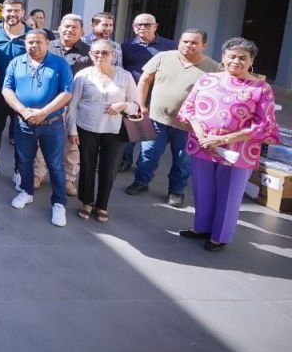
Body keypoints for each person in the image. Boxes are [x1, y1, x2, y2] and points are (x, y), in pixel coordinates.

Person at [177, 38, 279, 251]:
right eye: (231, 56)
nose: (236, 61)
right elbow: (189, 108)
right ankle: (201, 228)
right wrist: (199, 132)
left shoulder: (261, 88)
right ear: (223, 57)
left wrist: (223, 139)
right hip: (203, 144)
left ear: (251, 61)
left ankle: (219, 237)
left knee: (229, 195)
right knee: (203, 190)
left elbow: (264, 124)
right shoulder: (207, 79)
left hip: (238, 151)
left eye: (243, 58)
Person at [126, 29, 217, 207]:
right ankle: (141, 182)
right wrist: (141, 105)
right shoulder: (163, 57)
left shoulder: (214, 68)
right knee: (148, 154)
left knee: (183, 160)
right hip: (156, 118)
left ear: (204, 45)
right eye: (185, 41)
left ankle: (176, 191)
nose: (188, 45)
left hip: (188, 126)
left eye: (194, 42)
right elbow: (145, 80)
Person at [2, 30, 73, 226]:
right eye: (30, 42)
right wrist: (23, 111)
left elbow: (67, 93)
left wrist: (43, 112)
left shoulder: (59, 63)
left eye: (38, 42)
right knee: (24, 160)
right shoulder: (16, 62)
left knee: (55, 165)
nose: (34, 46)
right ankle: (26, 191)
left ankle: (59, 203)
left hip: (52, 123)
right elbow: (7, 89)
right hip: (24, 122)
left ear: (47, 43)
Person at [67, 39, 139, 223]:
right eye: (96, 53)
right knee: (87, 165)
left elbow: (136, 105)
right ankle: (87, 202)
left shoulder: (125, 76)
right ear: (90, 55)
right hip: (86, 127)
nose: (100, 56)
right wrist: (72, 130)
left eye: (105, 53)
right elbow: (72, 105)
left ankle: (102, 205)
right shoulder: (83, 75)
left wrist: (123, 105)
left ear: (113, 55)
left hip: (115, 130)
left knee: (109, 168)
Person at [37, 14, 92, 195]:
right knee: (42, 141)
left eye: (74, 27)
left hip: (75, 104)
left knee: (72, 143)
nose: (69, 30)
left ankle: (69, 179)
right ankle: (38, 174)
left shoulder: (89, 52)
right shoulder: (47, 46)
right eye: (66, 26)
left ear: (82, 31)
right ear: (59, 28)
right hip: (48, 102)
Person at [0, 0, 31, 187]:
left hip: (22, 96)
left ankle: (19, 170)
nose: (12, 14)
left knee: (20, 135)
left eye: (17, 10)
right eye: (9, 10)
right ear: (2, 12)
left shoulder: (30, 35)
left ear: (23, 13)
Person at [119, 13, 175, 171]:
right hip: (135, 95)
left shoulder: (170, 46)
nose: (142, 27)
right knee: (132, 131)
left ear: (155, 26)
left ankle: (143, 165)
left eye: (147, 25)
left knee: (154, 136)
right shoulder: (126, 46)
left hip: (160, 95)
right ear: (133, 27)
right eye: (139, 25)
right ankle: (125, 161)